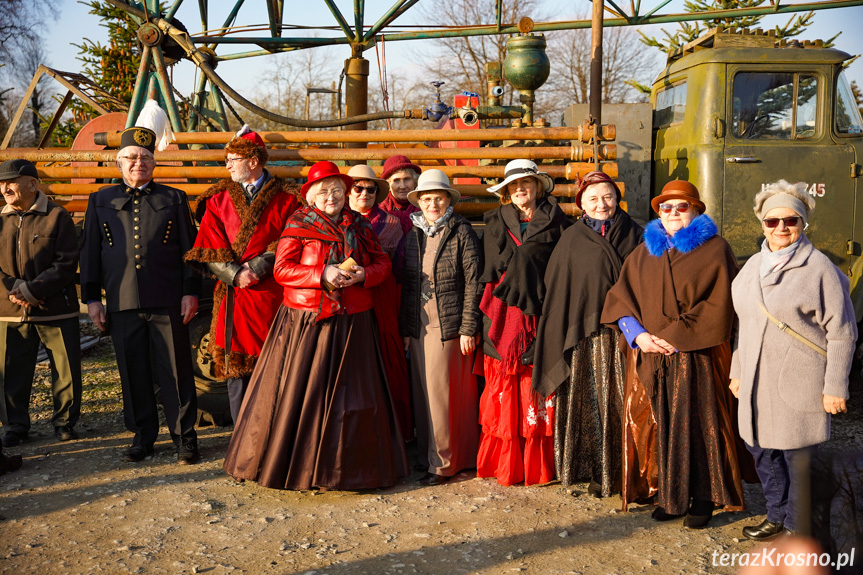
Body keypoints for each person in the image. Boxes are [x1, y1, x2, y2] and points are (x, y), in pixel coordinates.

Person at [223, 161, 408, 490]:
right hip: (308, 322)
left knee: (354, 398)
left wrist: (365, 275)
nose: (332, 197)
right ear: (310, 196)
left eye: (337, 190)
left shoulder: (360, 227)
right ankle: (301, 467)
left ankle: (352, 470)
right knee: (305, 397)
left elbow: (382, 263)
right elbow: (282, 270)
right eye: (324, 191)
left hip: (355, 322)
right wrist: (321, 274)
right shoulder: (298, 223)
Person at [601, 180, 750, 528]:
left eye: (681, 207)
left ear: (696, 210)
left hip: (697, 356)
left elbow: (721, 305)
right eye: (665, 208)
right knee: (661, 424)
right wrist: (638, 336)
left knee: (699, 425)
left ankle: (703, 497)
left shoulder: (715, 250)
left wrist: (672, 336)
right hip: (654, 354)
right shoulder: (644, 253)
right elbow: (620, 299)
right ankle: (671, 495)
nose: (672, 213)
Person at [729, 180, 857, 540]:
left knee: (797, 456)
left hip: (799, 378)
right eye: (773, 221)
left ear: (803, 224)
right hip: (756, 379)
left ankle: (800, 527)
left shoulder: (820, 269)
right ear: (762, 224)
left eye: (791, 220)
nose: (782, 228)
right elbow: (745, 323)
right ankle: (777, 514)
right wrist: (737, 370)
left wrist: (835, 387)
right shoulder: (752, 266)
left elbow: (843, 332)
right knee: (761, 450)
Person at [80, 126, 202, 465]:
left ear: (154, 163)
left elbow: (189, 251)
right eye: (132, 158)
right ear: (118, 162)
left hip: (167, 299)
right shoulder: (100, 200)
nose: (139, 164)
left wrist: (190, 291)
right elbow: (90, 251)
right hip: (121, 302)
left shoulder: (173, 198)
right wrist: (92, 299)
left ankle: (185, 438)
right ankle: (142, 436)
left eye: (146, 158)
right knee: (132, 370)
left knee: (175, 370)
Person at [532, 171, 643, 497]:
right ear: (581, 203)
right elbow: (559, 289)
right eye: (593, 198)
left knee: (623, 404)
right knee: (590, 403)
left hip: (625, 335)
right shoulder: (572, 239)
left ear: (616, 198)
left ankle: (627, 471)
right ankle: (592, 468)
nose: (602, 204)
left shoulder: (635, 234)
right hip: (583, 338)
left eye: (607, 196)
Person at [184, 127, 302, 425]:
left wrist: (259, 268)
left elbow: (295, 236)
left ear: (253, 160)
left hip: (273, 292)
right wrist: (235, 274)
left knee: (278, 369)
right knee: (236, 371)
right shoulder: (217, 198)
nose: (227, 165)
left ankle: (275, 439)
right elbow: (209, 244)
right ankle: (242, 441)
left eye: (232, 158)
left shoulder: (289, 198)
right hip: (233, 295)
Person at [477, 159, 570, 487]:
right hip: (504, 315)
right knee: (505, 384)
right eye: (513, 185)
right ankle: (506, 463)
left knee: (536, 382)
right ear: (505, 191)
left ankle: (538, 464)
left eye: (526, 183)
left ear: (538, 186)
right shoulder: (493, 223)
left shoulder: (560, 223)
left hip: (543, 310)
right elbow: (486, 274)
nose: (520, 189)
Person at [399, 169, 482, 485]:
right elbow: (408, 283)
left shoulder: (462, 231)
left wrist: (467, 327)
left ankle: (445, 463)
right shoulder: (414, 232)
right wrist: (407, 328)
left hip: (448, 322)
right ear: (419, 201)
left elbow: (475, 281)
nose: (432, 203)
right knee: (422, 391)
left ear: (448, 199)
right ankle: (428, 456)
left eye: (438, 197)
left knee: (442, 394)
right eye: (427, 198)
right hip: (420, 322)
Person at [0, 159, 81, 446]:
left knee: (65, 369)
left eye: (12, 181)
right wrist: (16, 287)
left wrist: (33, 290)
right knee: (11, 370)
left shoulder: (58, 216)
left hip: (54, 307)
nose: (5, 187)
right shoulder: (0, 218)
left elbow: (67, 262)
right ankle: (15, 426)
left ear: (32, 184)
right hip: (9, 309)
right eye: (2, 183)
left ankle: (64, 422)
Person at [346, 164, 412, 440]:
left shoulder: (392, 223)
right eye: (358, 188)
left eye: (370, 189)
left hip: (384, 296)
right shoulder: (335, 221)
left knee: (388, 362)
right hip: (347, 299)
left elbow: (400, 268)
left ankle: (395, 432)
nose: (364, 193)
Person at [379, 155, 421, 236]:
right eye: (396, 180)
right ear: (389, 185)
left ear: (415, 182)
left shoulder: (426, 206)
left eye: (407, 179)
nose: (402, 186)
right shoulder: (379, 211)